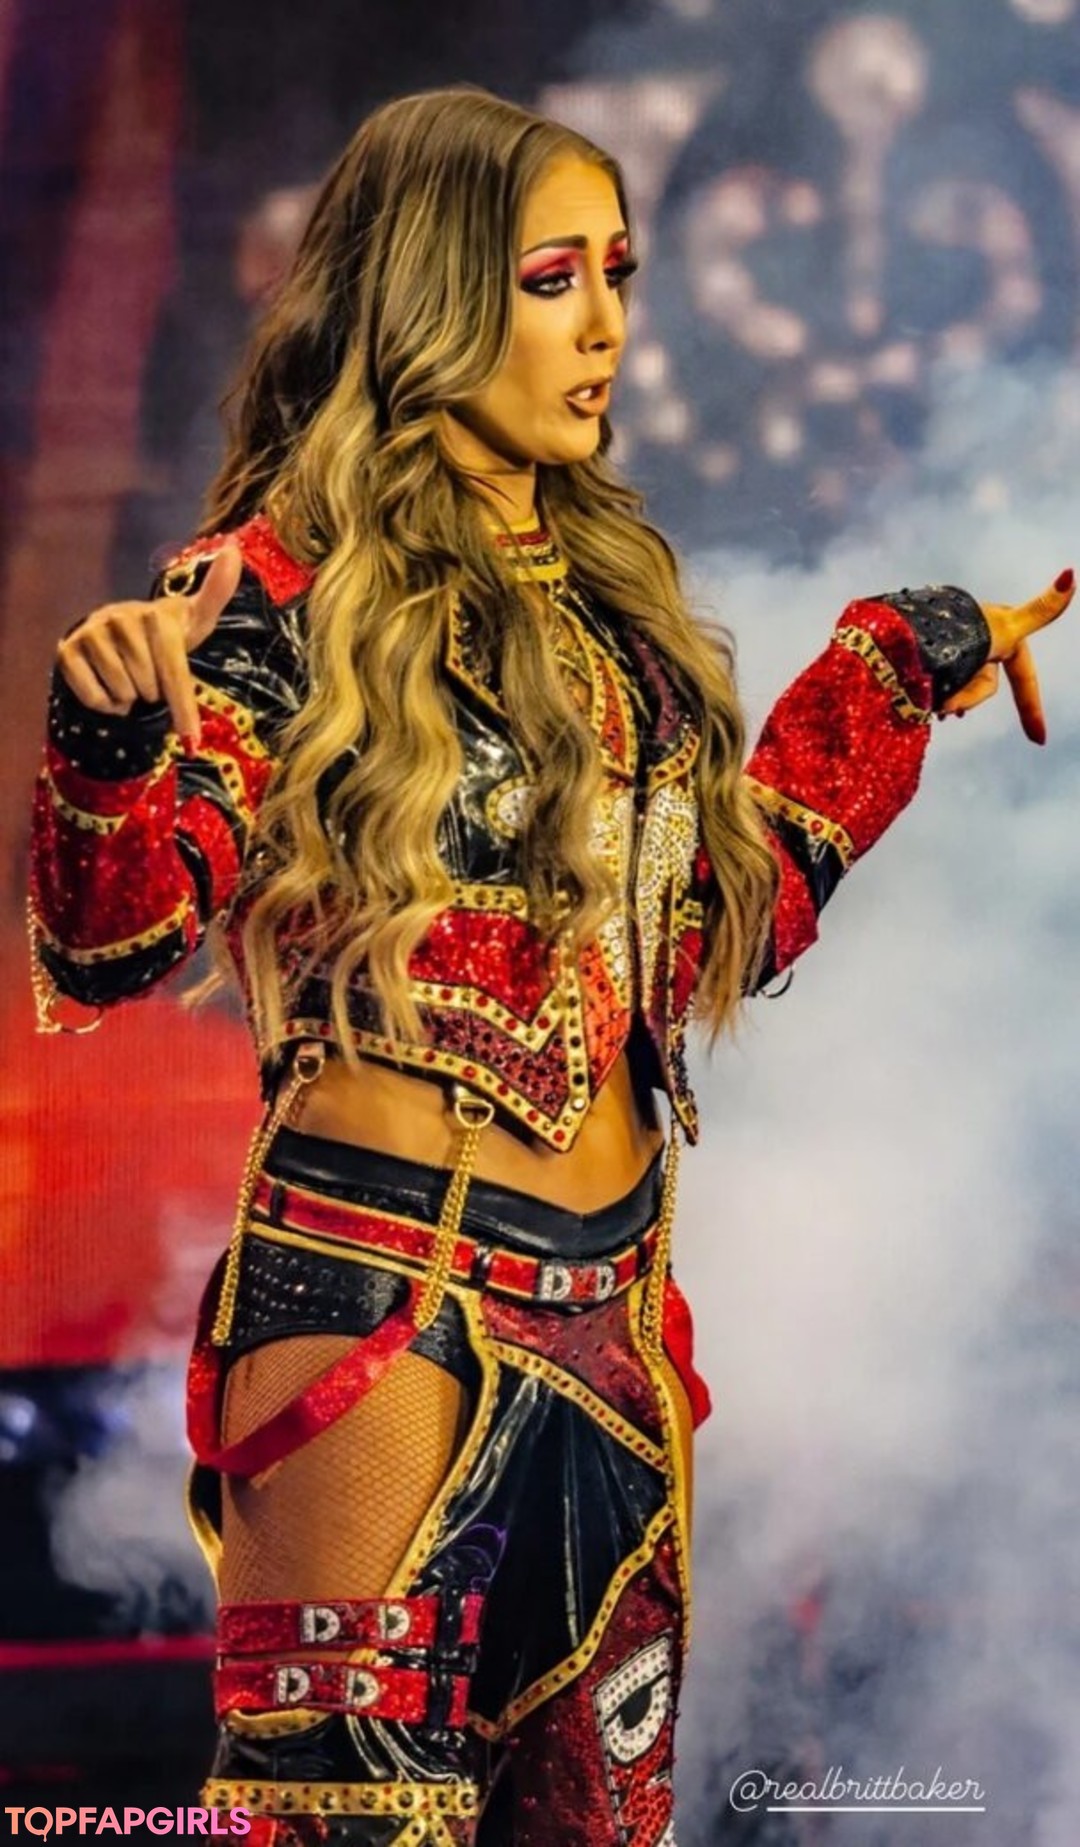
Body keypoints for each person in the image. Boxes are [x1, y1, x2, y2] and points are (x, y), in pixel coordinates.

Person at [27, 87, 1069, 1847]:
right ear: (431, 295)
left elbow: (699, 939)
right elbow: (113, 932)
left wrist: (891, 673)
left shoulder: (613, 612)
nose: (603, 326)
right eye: (551, 279)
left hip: (618, 1328)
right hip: (385, 1314)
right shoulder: (273, 588)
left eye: (620, 275)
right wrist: (111, 737)